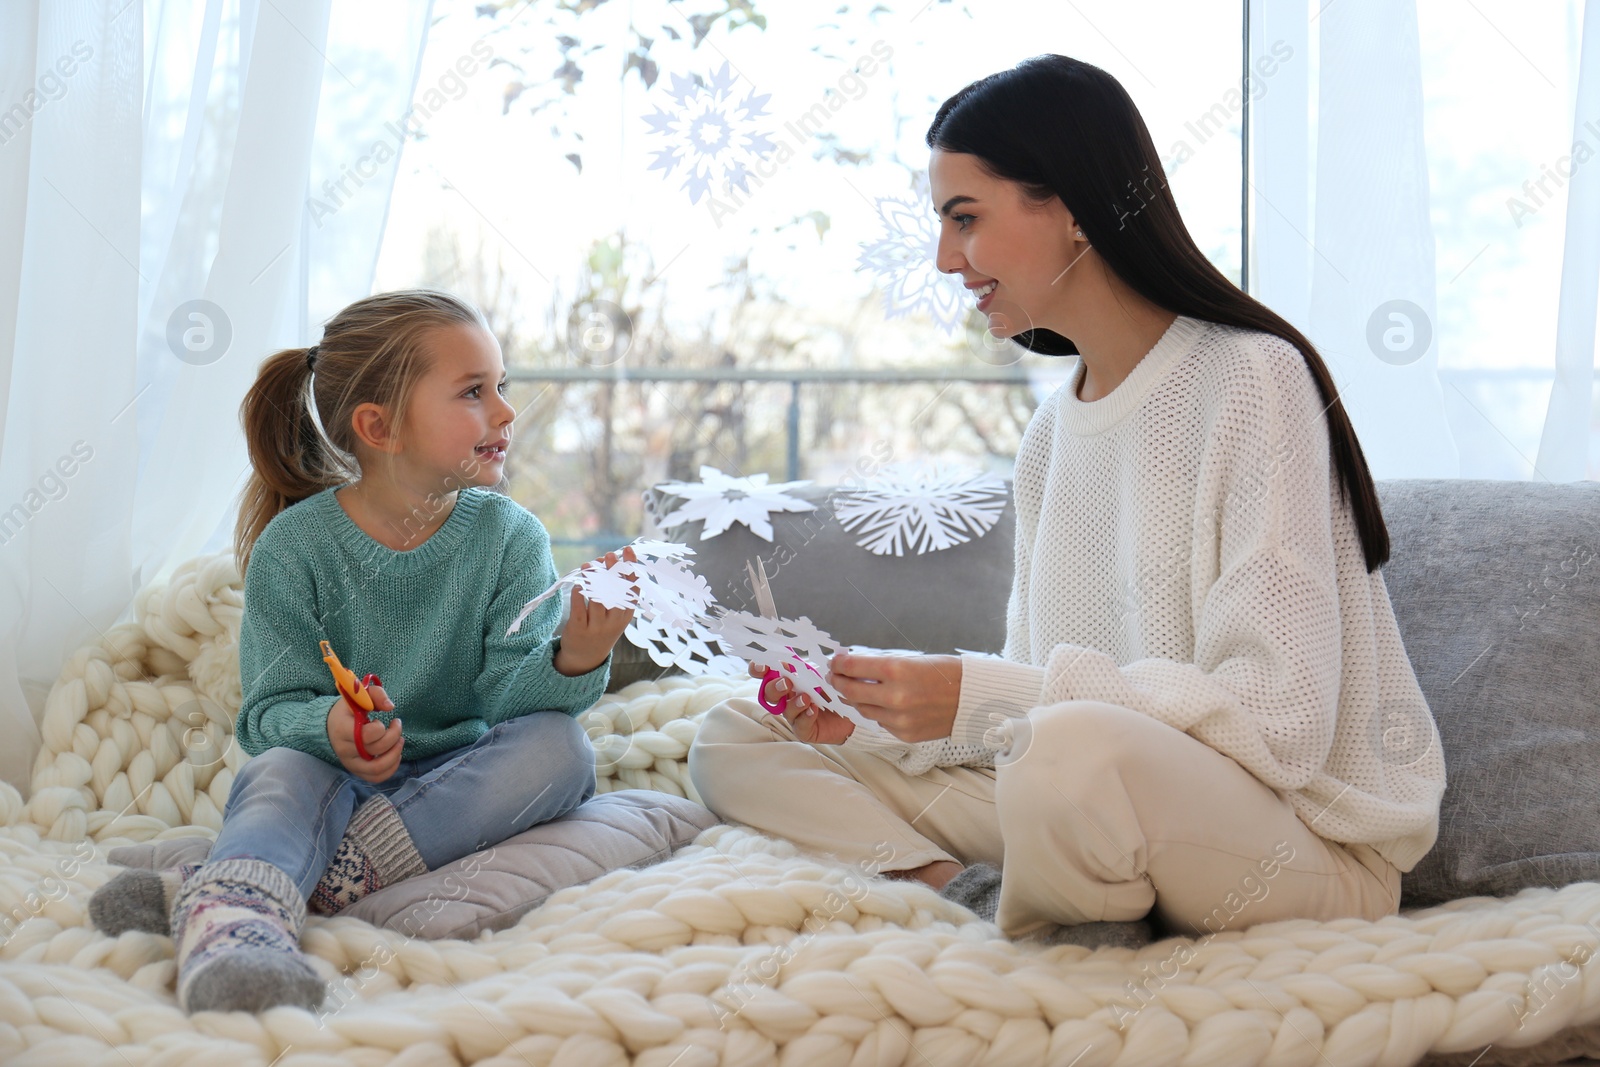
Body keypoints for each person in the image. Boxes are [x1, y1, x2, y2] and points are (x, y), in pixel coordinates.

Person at [687, 55, 1447, 948]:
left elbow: (1277, 723)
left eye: (964, 218)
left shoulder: (1253, 378)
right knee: (738, 733)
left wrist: (983, 699)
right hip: (1088, 796)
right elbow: (1034, 689)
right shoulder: (1052, 432)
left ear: (1076, 206)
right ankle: (957, 888)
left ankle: (1070, 909)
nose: (944, 258)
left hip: (1292, 847)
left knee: (1067, 753)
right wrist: (893, 708)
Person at [89, 289, 634, 1012]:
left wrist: (577, 655)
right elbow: (269, 714)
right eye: (473, 392)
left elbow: (512, 701)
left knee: (561, 750)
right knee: (281, 770)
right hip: (330, 781)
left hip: (456, 782)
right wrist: (331, 729)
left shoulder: (512, 537)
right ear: (379, 426)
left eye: (501, 388)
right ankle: (235, 936)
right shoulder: (296, 547)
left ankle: (242, 882)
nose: (505, 412)